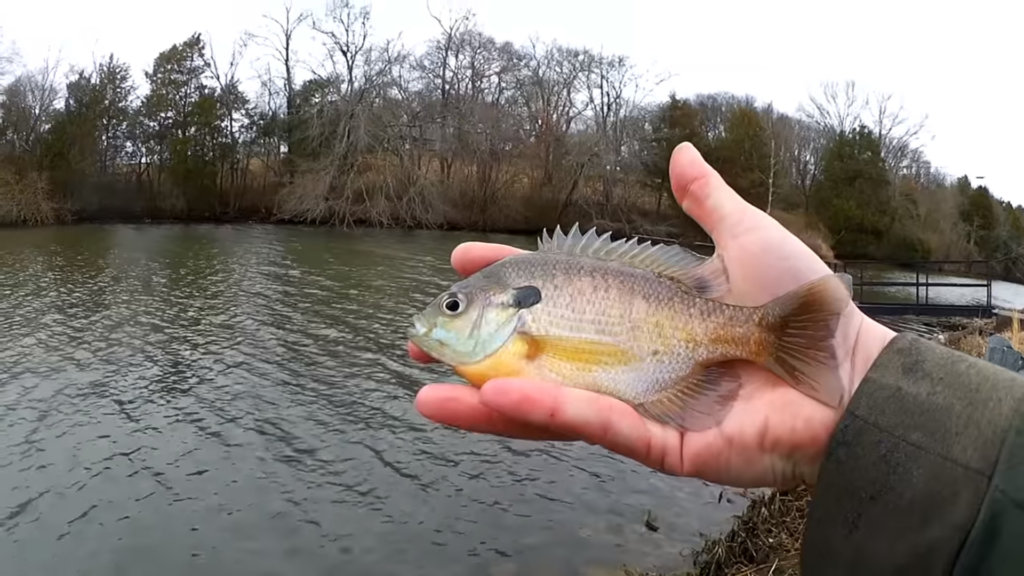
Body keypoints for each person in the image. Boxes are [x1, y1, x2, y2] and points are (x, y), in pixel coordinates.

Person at [406, 142, 1024, 575]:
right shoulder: (514, 299)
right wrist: (871, 386)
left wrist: (859, 366)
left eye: (455, 307)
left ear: (503, 308)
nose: (439, 320)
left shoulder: (524, 313)